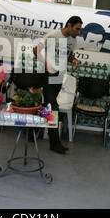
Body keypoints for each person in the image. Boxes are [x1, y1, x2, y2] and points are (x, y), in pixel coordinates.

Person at [34, 16, 82, 154]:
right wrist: (47, 64)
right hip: (47, 73)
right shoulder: (53, 35)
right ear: (69, 25)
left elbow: (69, 54)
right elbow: (36, 50)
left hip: (59, 75)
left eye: (80, 29)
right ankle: (54, 143)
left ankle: (33, 131)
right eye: (77, 28)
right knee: (53, 106)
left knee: (47, 105)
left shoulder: (73, 39)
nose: (79, 32)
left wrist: (74, 60)